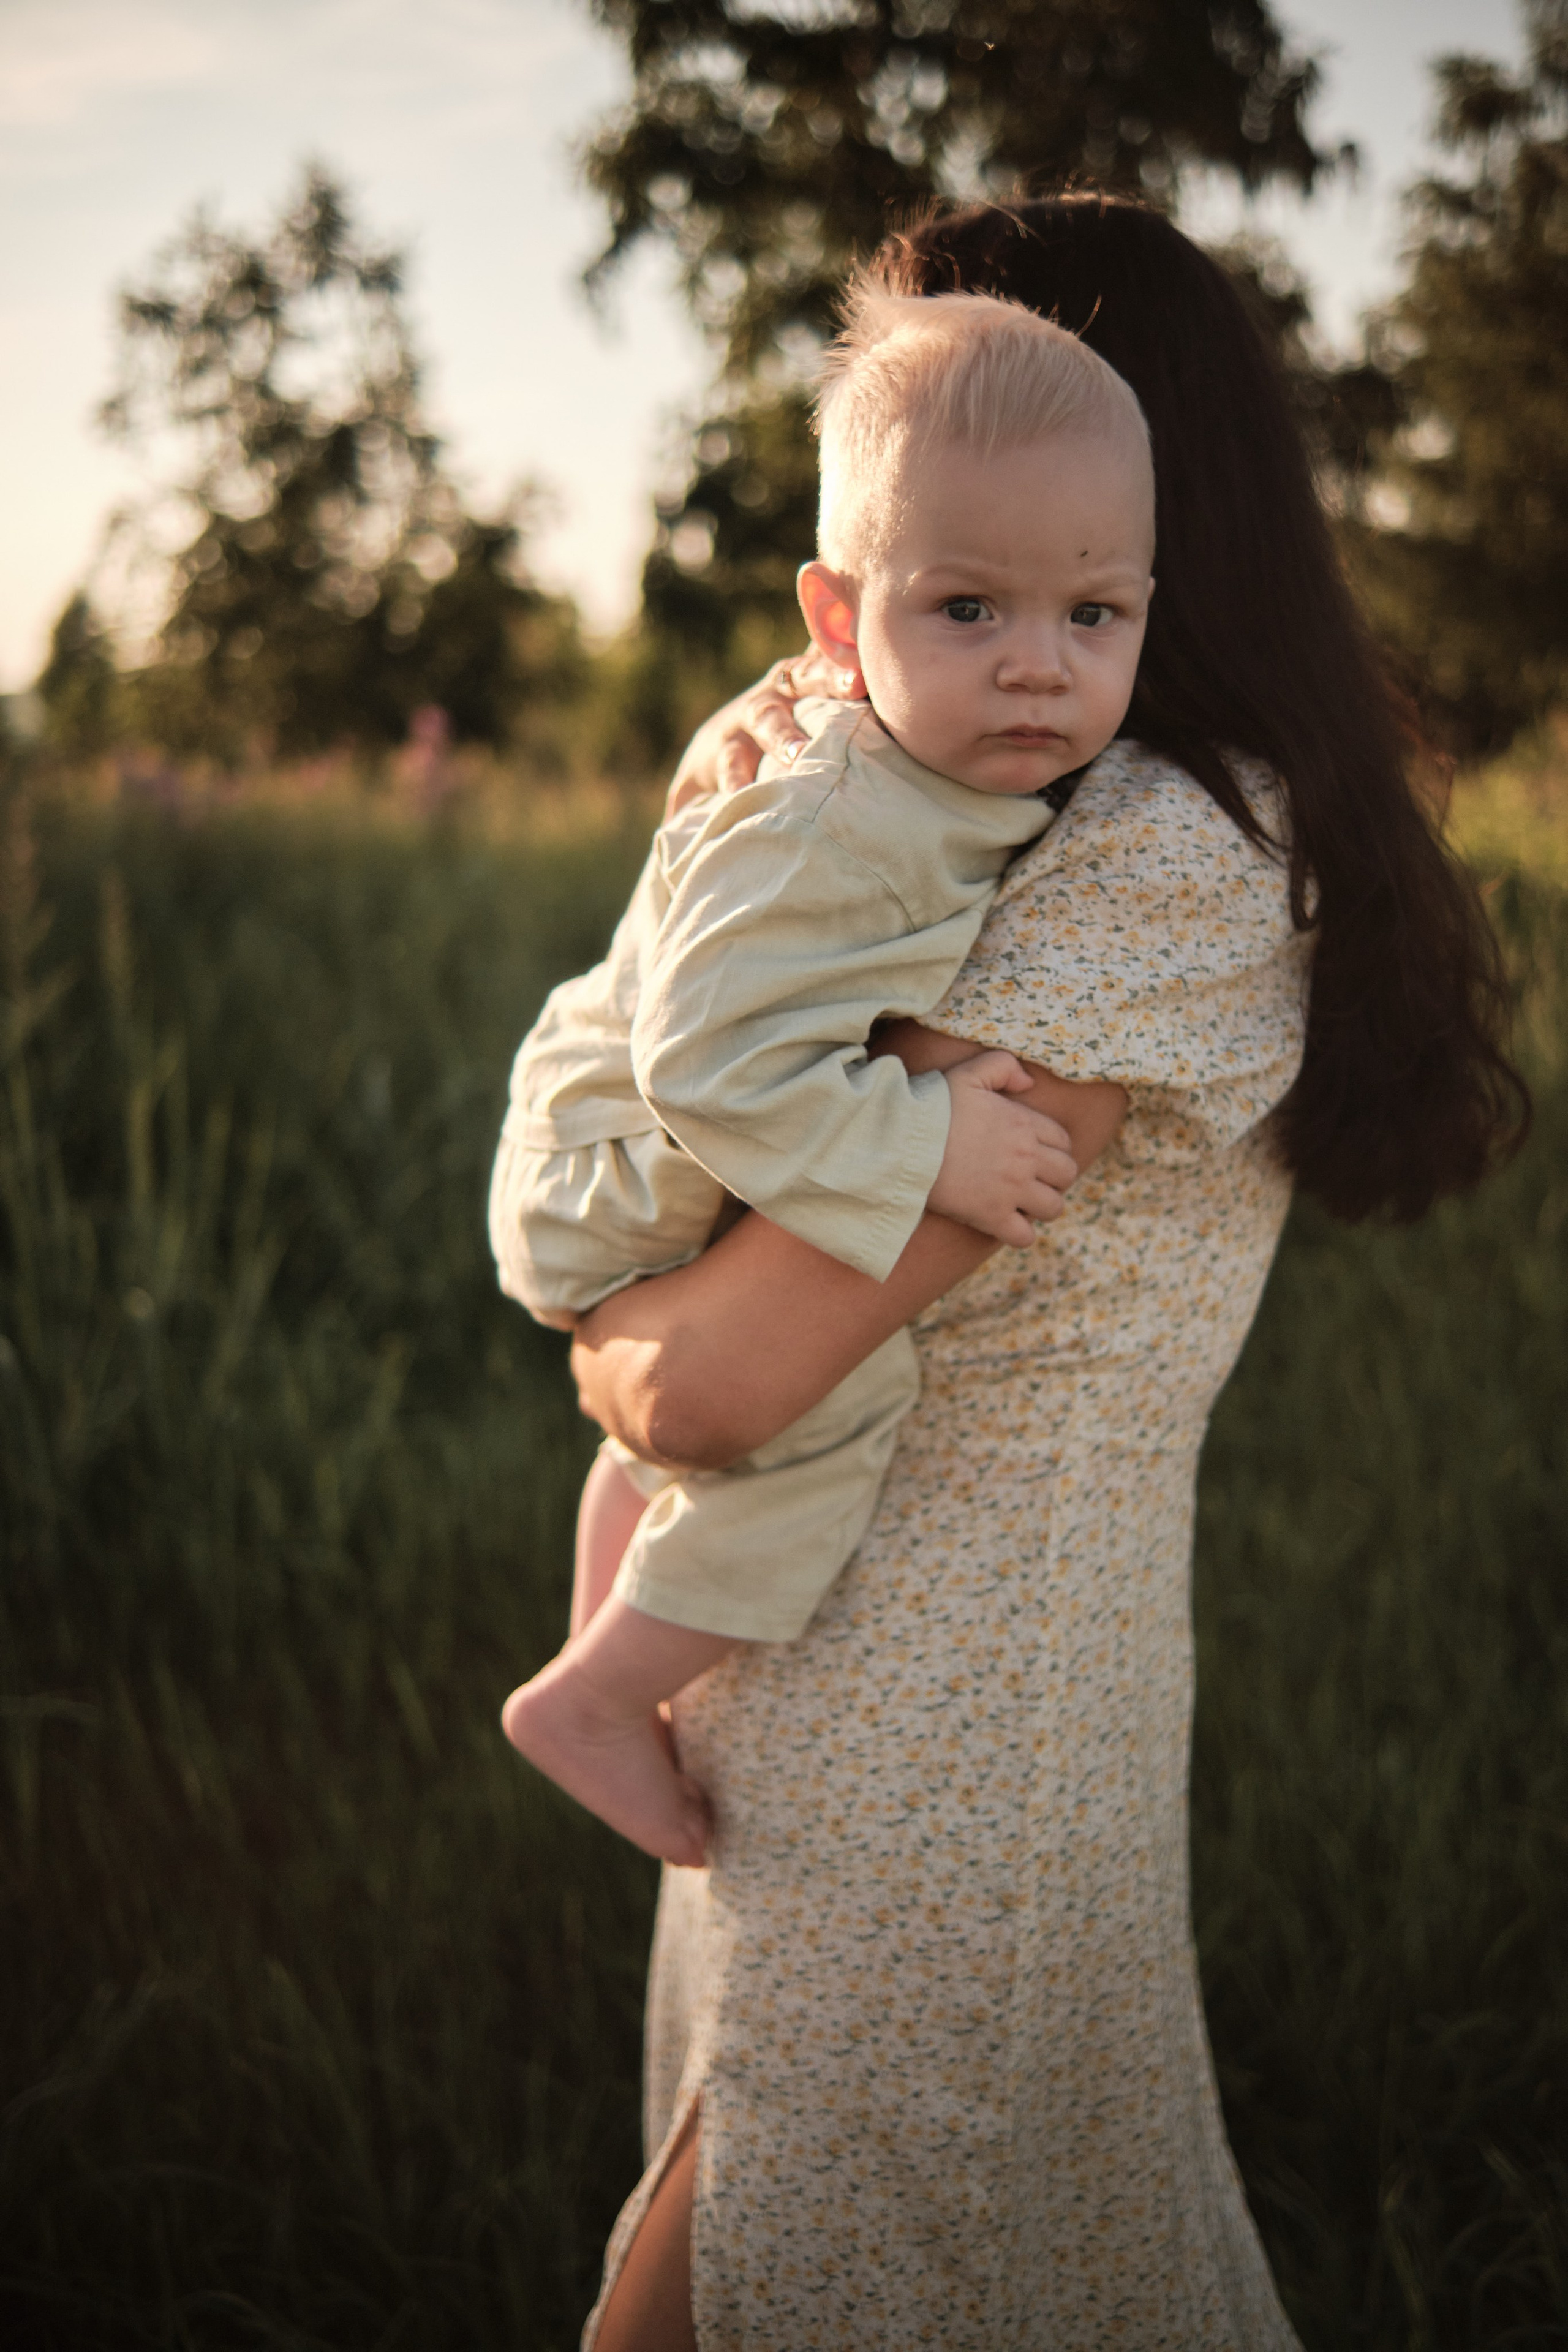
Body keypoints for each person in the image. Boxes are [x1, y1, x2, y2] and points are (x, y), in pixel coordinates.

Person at [567, 196, 1526, 2352]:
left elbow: (716, 1372)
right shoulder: (976, 797)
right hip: (814, 1646)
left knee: (817, 2274)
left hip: (953, 1699)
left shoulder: (1167, 854)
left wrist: (603, 1344)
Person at [494, 288, 1155, 1866]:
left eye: (1096, 617)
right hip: (619, 1152)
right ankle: (595, 1700)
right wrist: (922, 1139)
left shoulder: (929, 766)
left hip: (650, 1145)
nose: (1037, 672)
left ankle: (608, 1671)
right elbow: (702, 1056)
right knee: (832, 1408)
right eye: (969, 611)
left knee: (691, 1421)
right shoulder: (825, 812)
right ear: (843, 623)